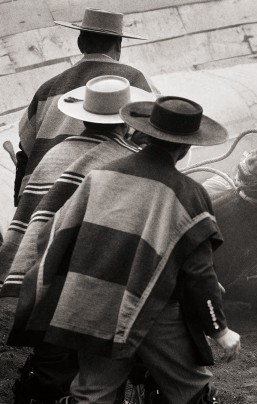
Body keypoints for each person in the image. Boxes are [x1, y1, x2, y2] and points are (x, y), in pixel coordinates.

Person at [7, 96, 239, 404]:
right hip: (154, 312)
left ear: (145, 134)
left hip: (92, 304)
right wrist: (220, 329)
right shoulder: (189, 194)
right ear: (185, 148)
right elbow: (199, 272)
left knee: (93, 393)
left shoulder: (99, 177)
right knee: (191, 389)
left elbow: (55, 234)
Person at [0, 75, 155, 404]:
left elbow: (33, 217)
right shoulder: (129, 161)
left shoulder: (55, 154)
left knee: (51, 366)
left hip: (46, 280)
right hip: (98, 285)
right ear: (125, 120)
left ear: (84, 115)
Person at [14, 7, 152, 207]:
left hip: (38, 199)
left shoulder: (47, 89)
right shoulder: (133, 81)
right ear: (118, 46)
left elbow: (24, 152)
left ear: (80, 43)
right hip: (98, 198)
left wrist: (20, 203)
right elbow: (154, 138)